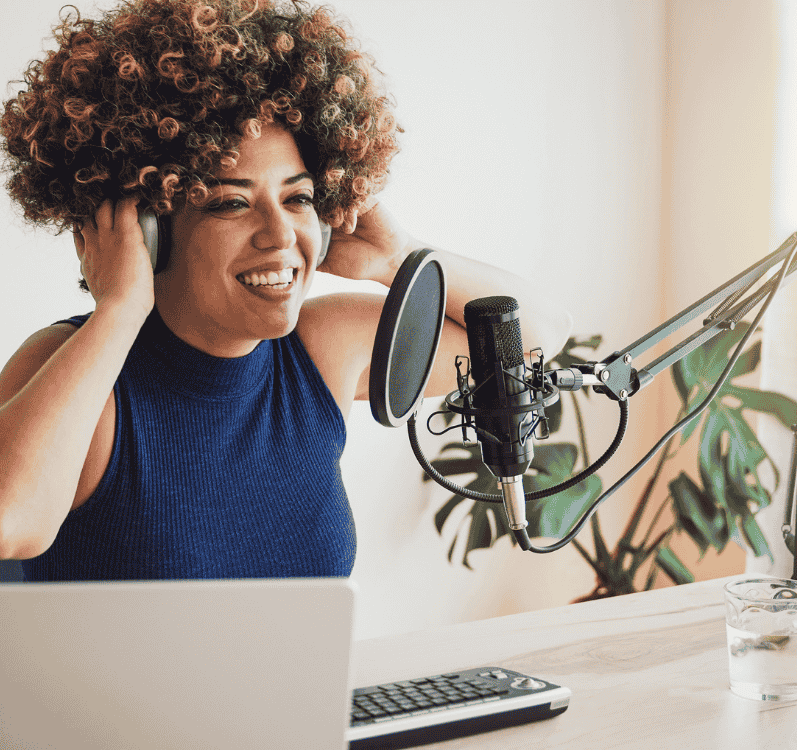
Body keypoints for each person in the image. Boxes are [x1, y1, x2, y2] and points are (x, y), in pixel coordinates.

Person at [0, 0, 572, 580]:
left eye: (297, 199)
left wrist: (397, 257)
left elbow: (529, 343)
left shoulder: (319, 351)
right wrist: (119, 309)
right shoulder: (75, 368)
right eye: (231, 203)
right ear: (149, 232)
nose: (279, 235)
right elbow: (10, 521)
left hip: (312, 677)